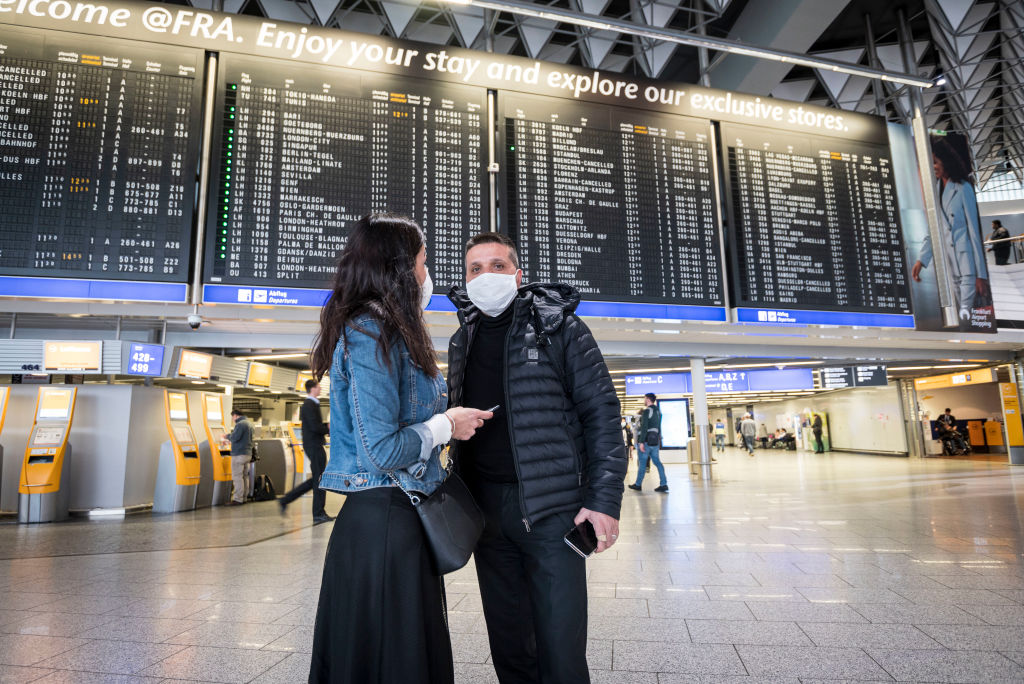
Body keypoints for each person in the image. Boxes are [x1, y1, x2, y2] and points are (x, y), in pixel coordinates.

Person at [307, 214, 491, 683]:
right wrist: (446, 424)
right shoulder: (370, 333)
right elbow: (383, 452)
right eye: (423, 263)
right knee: (394, 659)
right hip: (383, 525)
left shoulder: (392, 332)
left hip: (400, 521)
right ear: (400, 268)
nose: (428, 274)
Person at [447, 232, 626, 684]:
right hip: (485, 515)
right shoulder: (460, 340)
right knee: (509, 645)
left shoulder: (559, 327)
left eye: (497, 265)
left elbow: (601, 413)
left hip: (552, 512)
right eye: (475, 269)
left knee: (560, 644)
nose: (486, 275)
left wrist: (603, 500)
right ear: (465, 280)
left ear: (518, 274)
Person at [911, 137, 990, 324]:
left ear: (946, 161)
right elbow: (934, 229)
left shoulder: (963, 189)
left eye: (935, 162)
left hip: (967, 264)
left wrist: (981, 275)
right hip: (950, 264)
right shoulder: (936, 190)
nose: (933, 167)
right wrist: (922, 260)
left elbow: (974, 232)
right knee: (962, 316)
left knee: (967, 315)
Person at [278, 379, 331, 524]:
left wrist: (325, 427)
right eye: (318, 386)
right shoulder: (309, 404)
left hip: (314, 444)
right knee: (320, 479)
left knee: (316, 478)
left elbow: (315, 425)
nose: (320, 389)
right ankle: (318, 514)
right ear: (313, 388)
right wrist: (328, 428)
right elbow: (314, 426)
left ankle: (286, 499)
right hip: (314, 445)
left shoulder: (313, 403)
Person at [629, 393, 668, 493]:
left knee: (642, 463)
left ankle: (638, 485)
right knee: (657, 462)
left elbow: (644, 427)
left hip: (646, 441)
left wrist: (641, 442)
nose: (644, 400)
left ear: (648, 399)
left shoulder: (647, 411)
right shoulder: (658, 411)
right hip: (655, 441)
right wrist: (659, 439)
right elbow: (659, 427)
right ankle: (664, 484)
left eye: (645, 398)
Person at [226, 409, 254, 505]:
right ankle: (244, 497)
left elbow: (235, 437)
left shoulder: (240, 424)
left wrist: (226, 436)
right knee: (244, 476)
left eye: (232, 417)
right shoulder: (249, 424)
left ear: (235, 416)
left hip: (239, 454)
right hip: (247, 454)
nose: (232, 419)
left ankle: (238, 499)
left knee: (237, 477)